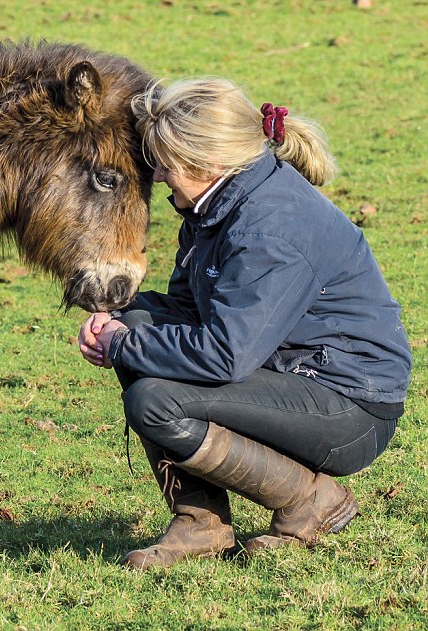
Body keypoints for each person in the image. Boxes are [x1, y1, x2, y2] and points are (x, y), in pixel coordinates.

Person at [77, 77, 412, 568]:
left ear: (206, 162)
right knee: (139, 319)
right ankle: (202, 524)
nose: (161, 177)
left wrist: (125, 346)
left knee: (155, 401)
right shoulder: (214, 201)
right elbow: (189, 310)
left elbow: (225, 355)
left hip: (350, 406)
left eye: (164, 165)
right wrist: (118, 322)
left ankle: (308, 501)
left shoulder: (269, 228)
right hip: (285, 371)